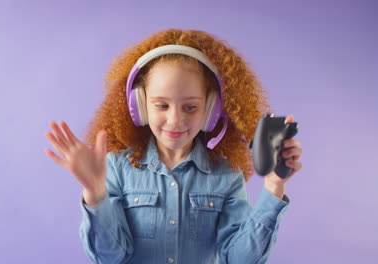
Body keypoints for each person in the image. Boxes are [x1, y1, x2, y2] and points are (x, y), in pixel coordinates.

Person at [44, 29, 303, 264]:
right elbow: (109, 257)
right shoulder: (117, 168)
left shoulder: (226, 175)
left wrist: (273, 187)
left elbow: (238, 259)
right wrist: (95, 192)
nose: (175, 120)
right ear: (139, 106)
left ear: (212, 110)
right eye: (162, 105)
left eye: (190, 107)